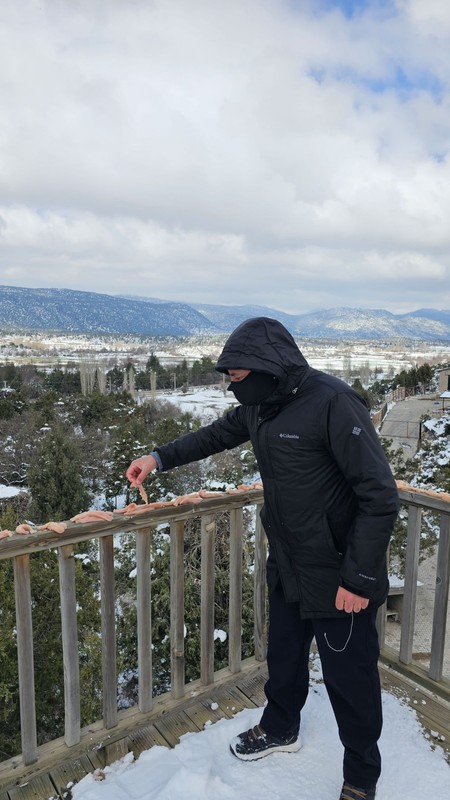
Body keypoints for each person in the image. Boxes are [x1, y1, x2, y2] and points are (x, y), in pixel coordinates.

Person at [126, 317, 399, 800]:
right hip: (289, 563)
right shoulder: (262, 407)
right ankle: (280, 727)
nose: (233, 388)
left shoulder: (333, 402)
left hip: (339, 573)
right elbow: (213, 436)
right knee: (285, 658)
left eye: (236, 378)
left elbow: (379, 494)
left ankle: (361, 777)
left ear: (266, 368)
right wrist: (158, 457)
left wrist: (357, 579)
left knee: (350, 682)